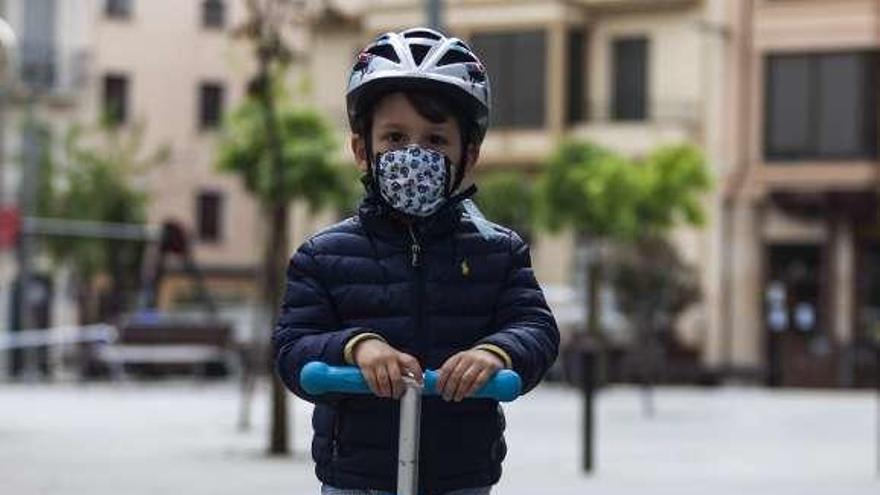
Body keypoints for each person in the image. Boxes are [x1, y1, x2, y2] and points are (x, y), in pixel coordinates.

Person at [273, 27, 559, 495]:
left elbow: (536, 327)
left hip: (460, 476)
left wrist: (496, 353)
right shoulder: (323, 256)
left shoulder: (498, 252)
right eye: (395, 137)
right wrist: (356, 348)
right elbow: (292, 347)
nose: (414, 155)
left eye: (435, 141)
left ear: (468, 156)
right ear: (362, 151)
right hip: (359, 478)